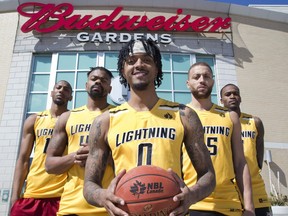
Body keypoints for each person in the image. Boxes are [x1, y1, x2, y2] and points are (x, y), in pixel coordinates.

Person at [83, 39, 216, 216]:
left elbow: (208, 174)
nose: (139, 64)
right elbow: (89, 184)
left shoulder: (183, 115)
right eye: (131, 61)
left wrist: (192, 195)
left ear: (157, 68)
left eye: (146, 59)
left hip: (172, 211)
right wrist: (102, 196)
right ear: (123, 71)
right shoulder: (105, 121)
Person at [183, 62, 255, 216]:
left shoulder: (230, 116)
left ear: (213, 82)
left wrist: (249, 207)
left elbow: (240, 163)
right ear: (188, 84)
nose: (202, 80)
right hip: (191, 202)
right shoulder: (179, 116)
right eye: (196, 77)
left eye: (206, 76)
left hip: (228, 203)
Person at [45, 67, 115, 216]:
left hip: (108, 206)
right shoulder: (67, 117)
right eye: (94, 78)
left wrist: (100, 156)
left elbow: (131, 163)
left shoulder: (119, 115)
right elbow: (49, 165)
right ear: (86, 85)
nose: (98, 82)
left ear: (110, 88)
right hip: (71, 207)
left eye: (103, 80)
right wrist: (74, 156)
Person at [10, 80, 73, 216]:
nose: (61, 90)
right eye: (58, 87)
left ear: (70, 97)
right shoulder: (34, 120)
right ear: (51, 93)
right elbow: (23, 159)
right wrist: (14, 196)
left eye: (66, 89)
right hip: (32, 193)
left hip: (61, 195)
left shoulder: (74, 120)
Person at [220, 83, 272, 216]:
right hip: (228, 193)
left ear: (240, 98)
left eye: (235, 93)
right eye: (228, 94)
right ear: (221, 101)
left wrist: (254, 169)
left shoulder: (255, 122)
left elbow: (259, 152)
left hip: (256, 190)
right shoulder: (219, 123)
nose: (232, 96)